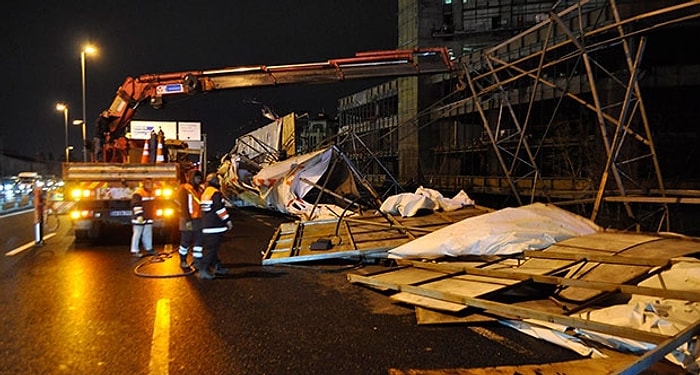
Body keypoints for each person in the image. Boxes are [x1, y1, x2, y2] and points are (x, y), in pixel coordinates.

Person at [198, 173, 233, 279]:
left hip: (206, 225)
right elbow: (220, 209)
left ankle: (217, 266)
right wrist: (227, 221)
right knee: (211, 249)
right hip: (215, 226)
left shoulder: (206, 192)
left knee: (211, 248)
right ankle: (203, 269)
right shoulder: (216, 193)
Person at [177, 169, 204, 268]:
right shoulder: (184, 189)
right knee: (185, 242)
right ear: (192, 178)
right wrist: (187, 220)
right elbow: (184, 206)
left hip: (198, 219)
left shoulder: (200, 189)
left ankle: (197, 261)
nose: (199, 180)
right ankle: (183, 260)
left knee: (199, 242)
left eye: (200, 178)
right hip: (187, 219)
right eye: (197, 178)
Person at [130, 178, 156, 257]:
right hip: (140, 218)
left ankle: (149, 248)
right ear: (146, 184)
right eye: (151, 184)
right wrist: (139, 216)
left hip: (147, 217)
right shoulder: (139, 193)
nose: (152, 186)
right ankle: (134, 250)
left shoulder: (150, 193)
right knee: (137, 233)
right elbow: (135, 204)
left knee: (147, 233)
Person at [33, 181, 45, 246]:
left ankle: (40, 240)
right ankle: (38, 241)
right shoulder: (37, 195)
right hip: (38, 214)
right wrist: (43, 204)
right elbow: (37, 204)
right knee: (38, 227)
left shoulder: (39, 195)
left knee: (40, 227)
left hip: (40, 213)